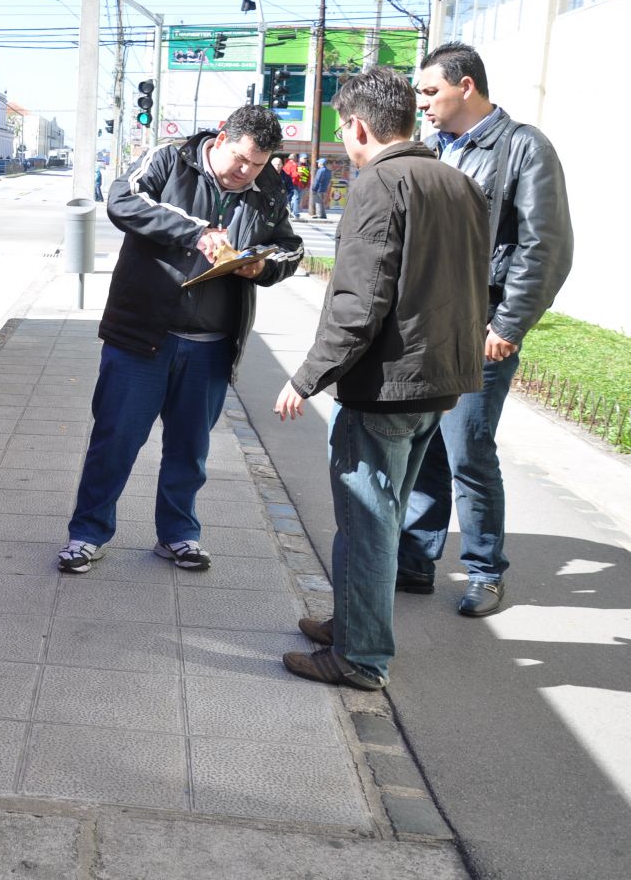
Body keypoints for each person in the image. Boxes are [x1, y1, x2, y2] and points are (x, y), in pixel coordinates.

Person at [273, 67, 489, 689]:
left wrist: (307, 377)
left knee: (367, 524)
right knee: (382, 517)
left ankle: (360, 656)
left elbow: (358, 303)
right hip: (439, 381)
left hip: (387, 386)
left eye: (343, 131)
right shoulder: (460, 184)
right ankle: (352, 624)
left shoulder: (378, 185)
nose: (345, 142)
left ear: (358, 126)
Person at [59, 106, 303, 575]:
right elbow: (122, 200)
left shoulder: (267, 188)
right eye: (239, 159)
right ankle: (87, 534)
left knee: (190, 451)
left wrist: (263, 266)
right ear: (221, 138)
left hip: (211, 345)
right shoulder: (171, 159)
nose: (245, 171)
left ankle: (178, 535)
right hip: (142, 335)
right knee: (115, 441)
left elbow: (290, 248)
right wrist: (197, 234)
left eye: (257, 164)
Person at [398, 43, 574, 617]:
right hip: (427, 324)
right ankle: (416, 561)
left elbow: (544, 248)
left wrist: (508, 323)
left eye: (429, 91)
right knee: (423, 448)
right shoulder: (432, 151)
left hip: (481, 326)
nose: (420, 103)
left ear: (465, 86)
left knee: (467, 449)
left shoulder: (523, 147)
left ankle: (484, 571)